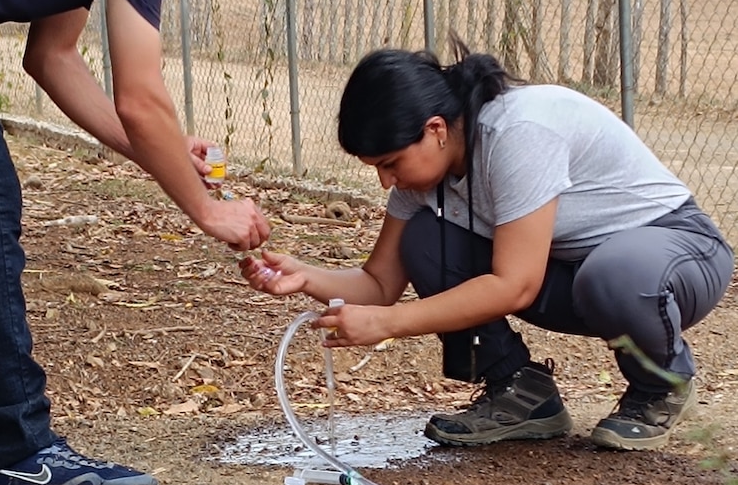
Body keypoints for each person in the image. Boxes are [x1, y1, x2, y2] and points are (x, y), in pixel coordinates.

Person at [0, 0, 296, 485]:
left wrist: (167, 154)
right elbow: (141, 100)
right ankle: (17, 453)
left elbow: (52, 58)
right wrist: (208, 210)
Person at [241, 39, 734, 452]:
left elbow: (516, 285)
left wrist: (389, 324)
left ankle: (659, 385)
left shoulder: (517, 132)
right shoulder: (423, 174)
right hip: (572, 272)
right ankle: (520, 392)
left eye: (390, 164)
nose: (385, 181)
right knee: (425, 241)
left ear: (435, 129)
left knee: (613, 274)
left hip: (674, 257)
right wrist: (305, 276)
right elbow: (380, 283)